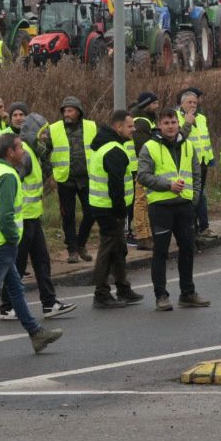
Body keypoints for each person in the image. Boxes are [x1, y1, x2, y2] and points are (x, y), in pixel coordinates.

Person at [0, 133, 64, 359]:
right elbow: (5, 214)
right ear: (10, 152)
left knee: (16, 289)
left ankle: (36, 334)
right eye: (20, 148)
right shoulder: (8, 176)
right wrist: (13, 237)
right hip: (2, 242)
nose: (23, 152)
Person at [0, 120, 75, 323]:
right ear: (33, 132)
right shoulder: (27, 156)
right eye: (43, 133)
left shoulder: (30, 152)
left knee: (42, 261)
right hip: (24, 218)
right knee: (19, 264)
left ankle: (49, 303)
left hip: (32, 217)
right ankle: (7, 307)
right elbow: (15, 178)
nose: (45, 137)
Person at [137, 107, 210, 312]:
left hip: (185, 207)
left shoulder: (187, 146)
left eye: (173, 123)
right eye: (166, 123)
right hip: (160, 207)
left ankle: (187, 294)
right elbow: (143, 176)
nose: (170, 126)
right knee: (160, 252)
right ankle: (161, 296)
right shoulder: (149, 147)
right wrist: (167, 185)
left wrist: (194, 199)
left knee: (187, 250)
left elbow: (197, 175)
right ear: (159, 125)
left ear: (179, 124)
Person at [86, 109, 142, 309]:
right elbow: (116, 185)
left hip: (103, 206)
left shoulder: (105, 144)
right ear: (118, 127)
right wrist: (121, 211)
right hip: (110, 208)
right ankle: (101, 294)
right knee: (108, 249)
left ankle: (123, 288)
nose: (133, 129)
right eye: (129, 126)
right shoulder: (114, 150)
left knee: (119, 249)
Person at [36, 96, 98, 263]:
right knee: (68, 216)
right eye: (64, 111)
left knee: (92, 212)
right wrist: (51, 174)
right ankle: (72, 250)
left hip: (87, 178)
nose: (66, 114)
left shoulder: (91, 126)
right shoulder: (53, 129)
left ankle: (81, 243)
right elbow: (43, 153)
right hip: (65, 179)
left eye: (70, 110)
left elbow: (99, 149)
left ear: (78, 111)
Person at [177, 88, 214, 236]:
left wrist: (209, 159)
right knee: (191, 196)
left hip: (203, 162)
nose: (193, 104)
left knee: (200, 195)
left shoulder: (202, 118)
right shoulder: (176, 118)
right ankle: (192, 228)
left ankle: (203, 227)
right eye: (189, 102)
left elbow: (204, 139)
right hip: (187, 164)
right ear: (182, 103)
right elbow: (178, 140)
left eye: (195, 102)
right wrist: (187, 122)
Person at [129, 90, 159, 250]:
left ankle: (147, 235)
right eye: (154, 103)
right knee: (141, 201)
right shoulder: (141, 122)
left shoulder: (146, 120)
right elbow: (144, 148)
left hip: (143, 166)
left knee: (145, 201)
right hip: (142, 167)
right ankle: (143, 236)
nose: (157, 106)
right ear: (146, 105)